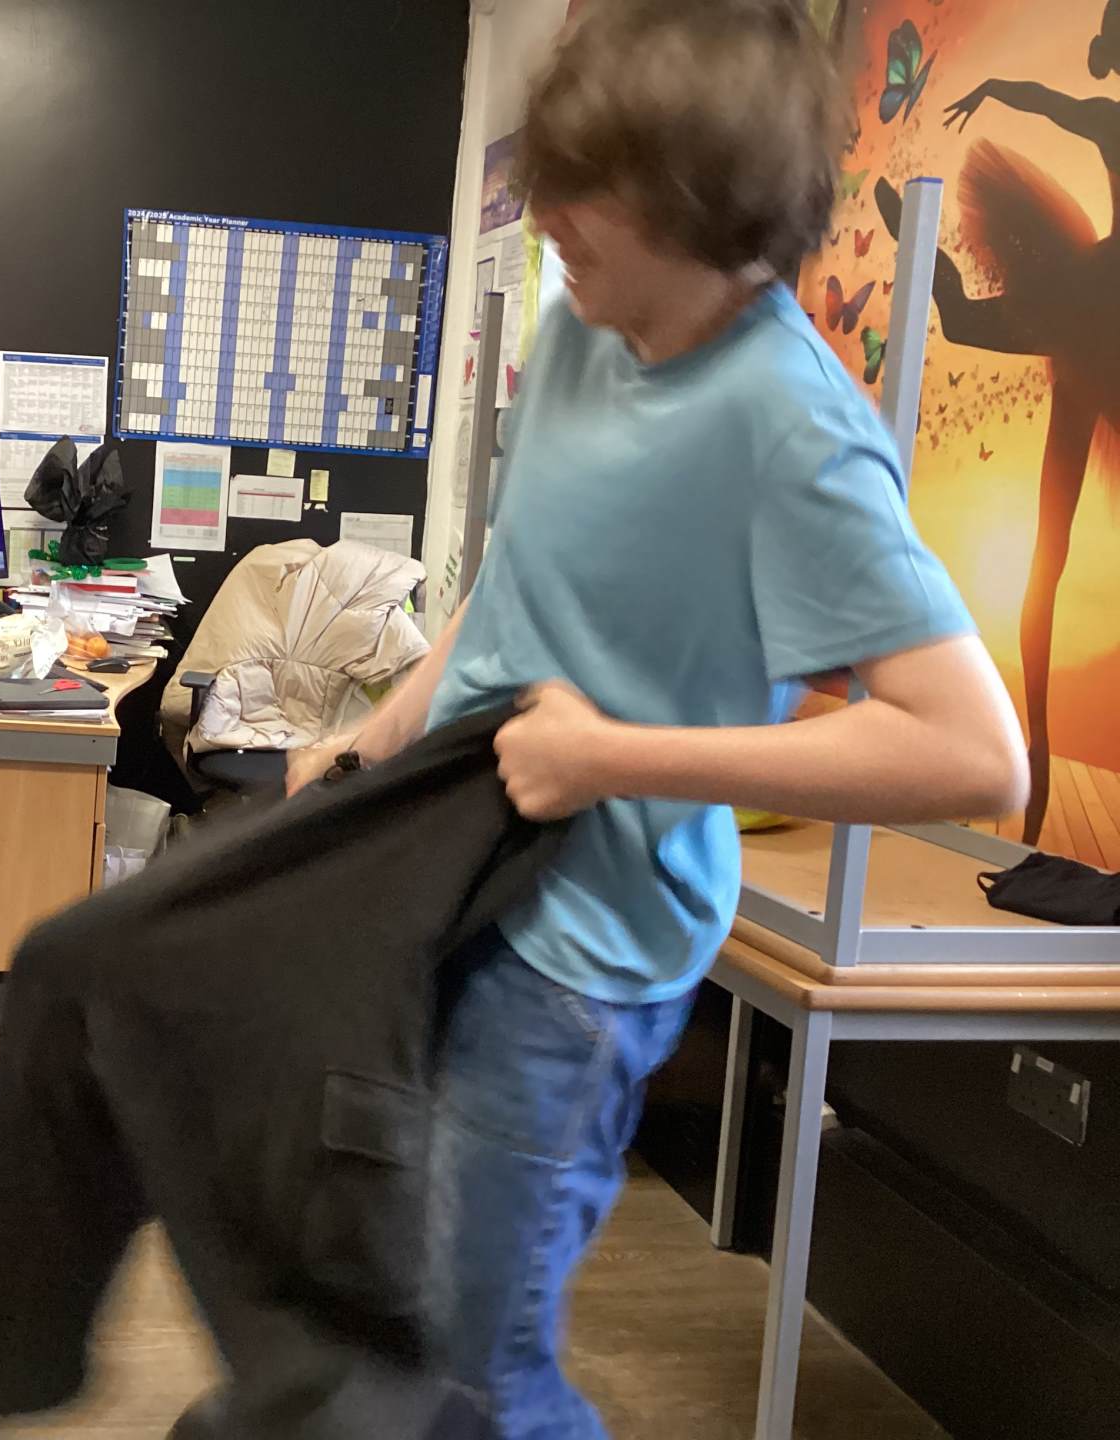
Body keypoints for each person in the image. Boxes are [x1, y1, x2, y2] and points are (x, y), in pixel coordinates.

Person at [284, 2, 1027, 1433]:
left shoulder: (794, 429)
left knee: (479, 1372)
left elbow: (972, 748)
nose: (547, 216)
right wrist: (378, 736)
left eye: (588, 195)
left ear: (701, 208)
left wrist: (613, 759)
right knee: (389, 1308)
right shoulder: (579, 330)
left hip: (581, 958)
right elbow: (516, 574)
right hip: (448, 874)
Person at [862, 0, 1120, 845]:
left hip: (1096, 314)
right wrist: (997, 91)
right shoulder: (1108, 119)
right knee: (1049, 552)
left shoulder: (1107, 118)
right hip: (1096, 309)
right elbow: (1048, 101)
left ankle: (1036, 758)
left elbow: (1044, 100)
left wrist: (996, 91)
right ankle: (1035, 757)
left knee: (1051, 553)